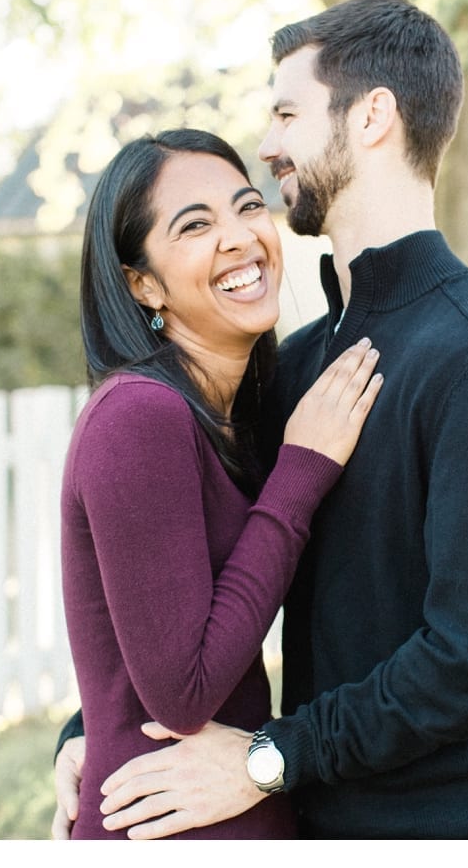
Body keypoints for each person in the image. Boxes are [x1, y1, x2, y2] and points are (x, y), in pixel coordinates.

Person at [54, 0, 468, 840]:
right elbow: (203, 578)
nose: (267, 145)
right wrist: (96, 727)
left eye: (288, 112)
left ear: (372, 118)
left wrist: (271, 756)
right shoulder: (298, 364)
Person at [58, 127, 384, 839]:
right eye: (196, 225)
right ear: (142, 283)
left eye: (246, 207)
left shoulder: (227, 414)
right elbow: (182, 692)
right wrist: (302, 470)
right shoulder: (138, 418)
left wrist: (83, 728)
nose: (240, 237)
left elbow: (139, 638)